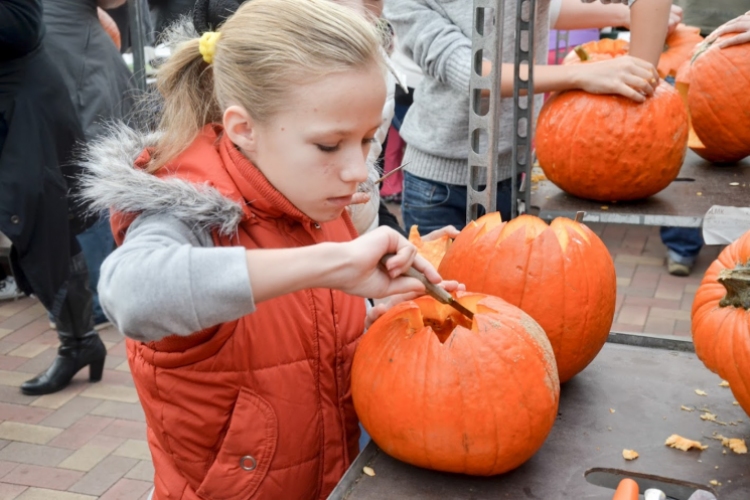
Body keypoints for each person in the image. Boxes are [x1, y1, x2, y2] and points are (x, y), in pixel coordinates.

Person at [82, 0, 456, 497]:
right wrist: (333, 265)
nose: (355, 170)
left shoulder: (312, 194)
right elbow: (130, 293)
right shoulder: (188, 207)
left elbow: (289, 343)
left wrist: (365, 322)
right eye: (329, 145)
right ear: (244, 130)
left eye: (367, 141)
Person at [385, 0, 674, 234]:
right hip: (438, 189)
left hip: (513, 177)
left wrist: (623, 13)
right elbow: (473, 74)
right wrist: (582, 74)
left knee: (507, 297)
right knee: (452, 301)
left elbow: (539, 9)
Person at [1, 0, 107, 396]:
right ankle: (81, 342)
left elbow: (20, 27)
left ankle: (80, 343)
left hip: (25, 109)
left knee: (48, 228)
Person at [42, 0, 135, 327]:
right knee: (89, 188)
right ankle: (92, 303)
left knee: (83, 187)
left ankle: (88, 303)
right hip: (79, 66)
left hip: (67, 65)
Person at [660, 2, 748, 276]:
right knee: (685, 160)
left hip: (743, 36)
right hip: (692, 37)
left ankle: (739, 251)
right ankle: (681, 246)